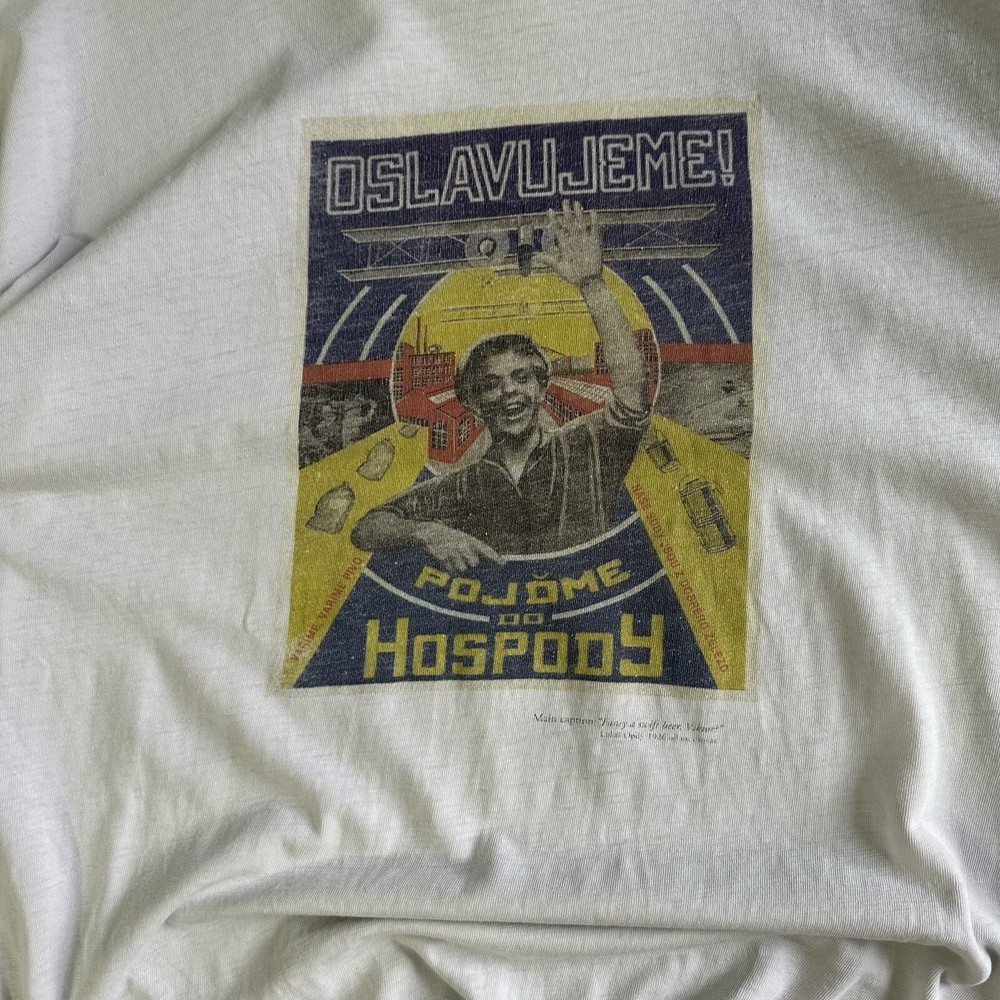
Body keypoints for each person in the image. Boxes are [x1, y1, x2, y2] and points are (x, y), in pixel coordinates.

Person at [351, 200, 651, 570]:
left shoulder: (587, 445)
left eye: (521, 377)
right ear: (474, 403)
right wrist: (427, 532)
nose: (509, 390)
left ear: (541, 389)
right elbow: (366, 528)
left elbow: (631, 388)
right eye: (491, 384)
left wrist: (592, 285)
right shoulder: (463, 484)